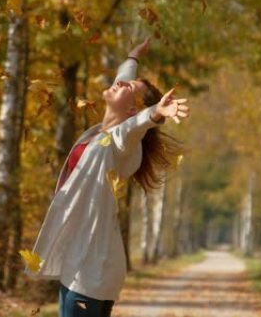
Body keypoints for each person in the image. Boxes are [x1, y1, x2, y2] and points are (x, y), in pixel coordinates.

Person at [23, 37, 189, 317]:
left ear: (132, 110)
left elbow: (135, 127)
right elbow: (123, 82)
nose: (122, 83)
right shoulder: (102, 133)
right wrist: (132, 58)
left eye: (130, 88)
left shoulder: (122, 144)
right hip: (84, 263)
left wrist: (157, 114)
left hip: (92, 269)